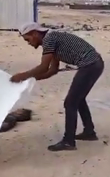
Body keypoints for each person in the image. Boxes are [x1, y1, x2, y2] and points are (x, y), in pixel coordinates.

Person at [10, 22, 104, 152]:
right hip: (94, 64)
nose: (28, 43)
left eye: (28, 39)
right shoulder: (51, 40)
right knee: (78, 99)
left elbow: (43, 67)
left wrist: (22, 76)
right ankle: (89, 132)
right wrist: (30, 79)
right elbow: (52, 70)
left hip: (90, 65)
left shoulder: (49, 39)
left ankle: (68, 141)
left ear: (35, 33)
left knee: (70, 103)